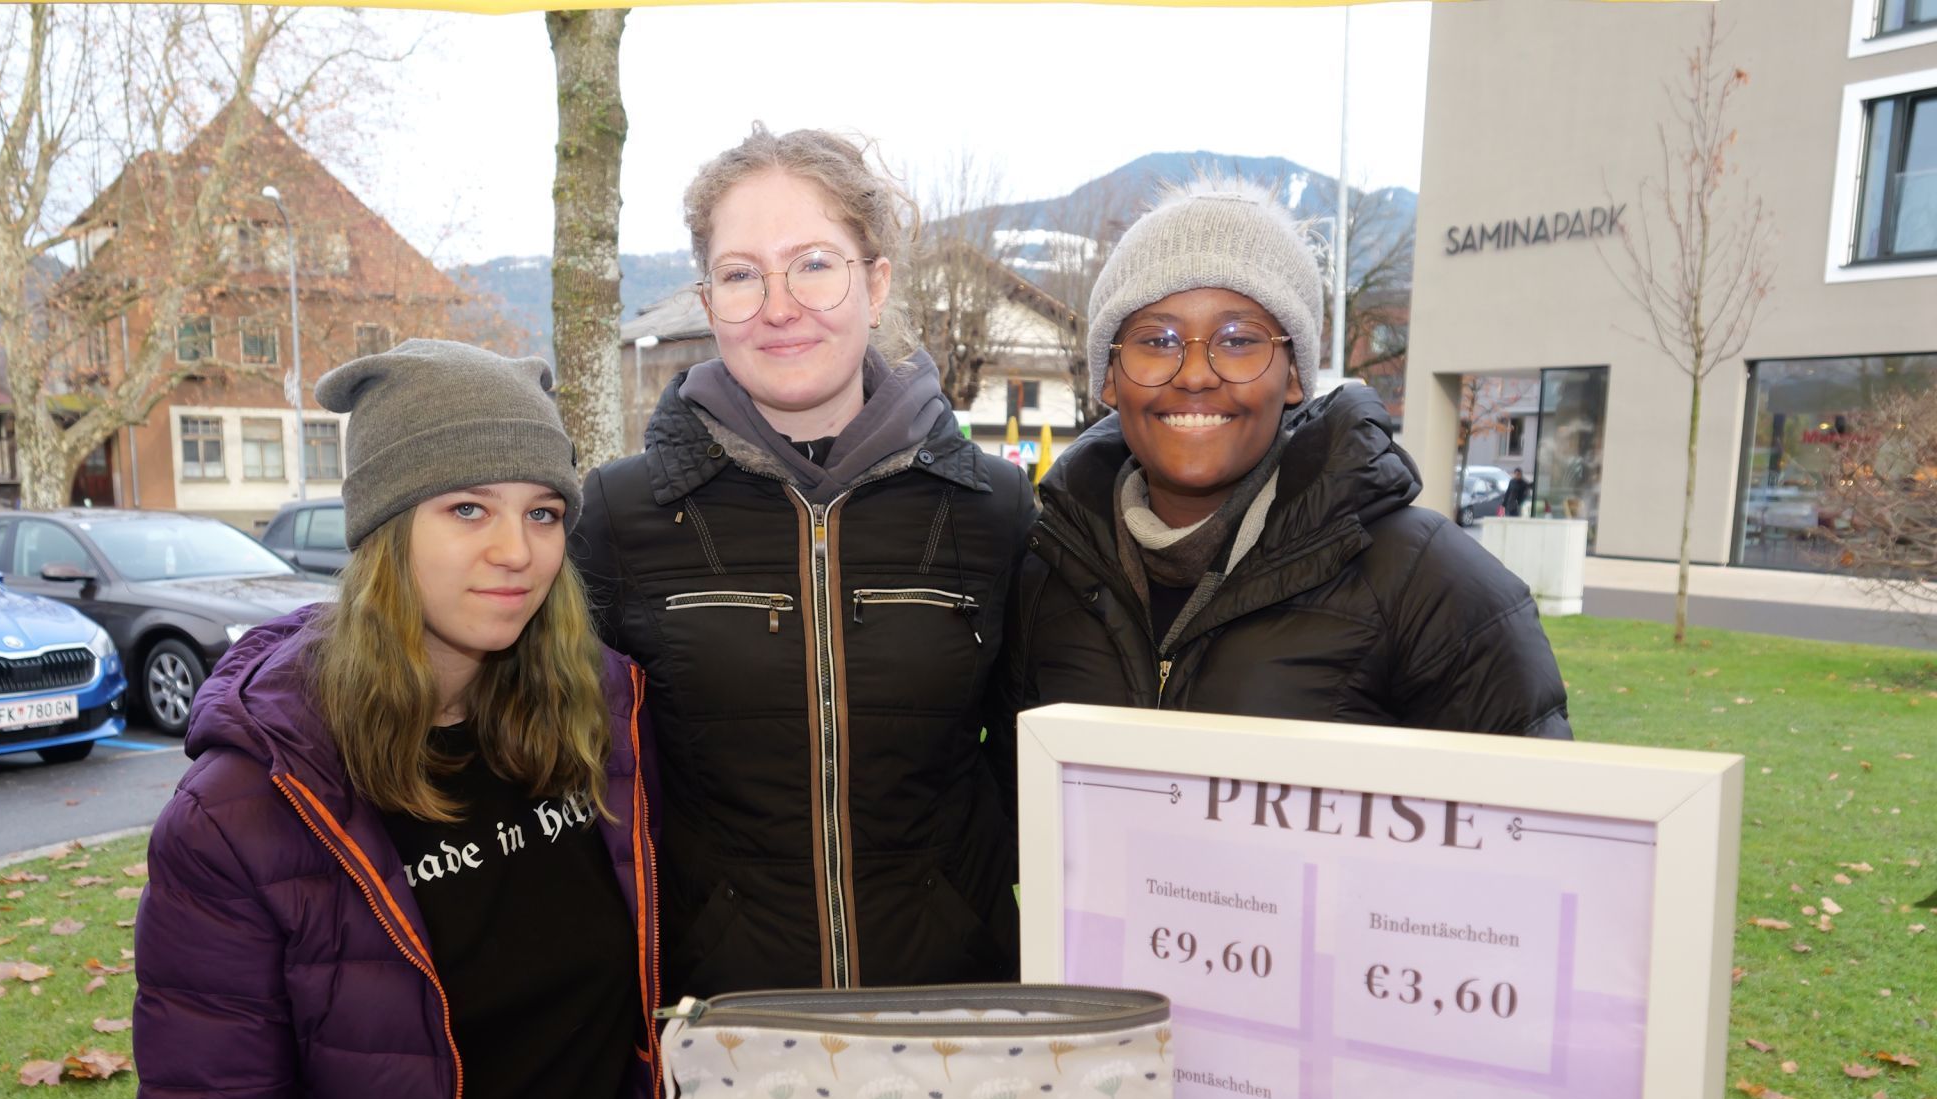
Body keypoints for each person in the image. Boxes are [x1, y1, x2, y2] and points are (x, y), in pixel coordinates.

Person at [133, 341, 676, 1099]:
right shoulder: (246, 810)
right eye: (466, 509)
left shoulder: (599, 724)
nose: (515, 550)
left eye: (543, 511)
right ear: (386, 529)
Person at [577, 126, 1037, 997]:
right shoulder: (623, 514)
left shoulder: (991, 510)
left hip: (952, 1014)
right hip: (726, 1026)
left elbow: (1039, 777)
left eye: (814, 264)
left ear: (876, 281)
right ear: (708, 301)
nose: (779, 307)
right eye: (742, 273)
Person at [1013, 178, 1570, 737]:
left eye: (1238, 340)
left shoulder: (1427, 583)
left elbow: (1527, 812)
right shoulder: (1050, 572)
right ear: (1110, 378)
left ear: (1296, 375)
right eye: (1158, 341)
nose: (1197, 374)